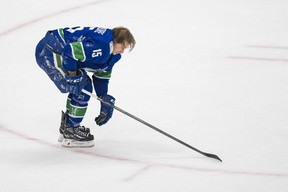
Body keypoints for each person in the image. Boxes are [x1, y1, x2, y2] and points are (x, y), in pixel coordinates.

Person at [35, 26, 136, 148]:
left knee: (81, 87)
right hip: (50, 52)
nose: (122, 51)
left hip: (56, 50)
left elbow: (101, 76)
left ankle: (68, 125)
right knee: (83, 88)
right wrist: (72, 76)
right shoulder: (102, 45)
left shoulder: (112, 54)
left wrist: (103, 98)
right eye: (122, 46)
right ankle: (71, 130)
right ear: (115, 40)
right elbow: (69, 50)